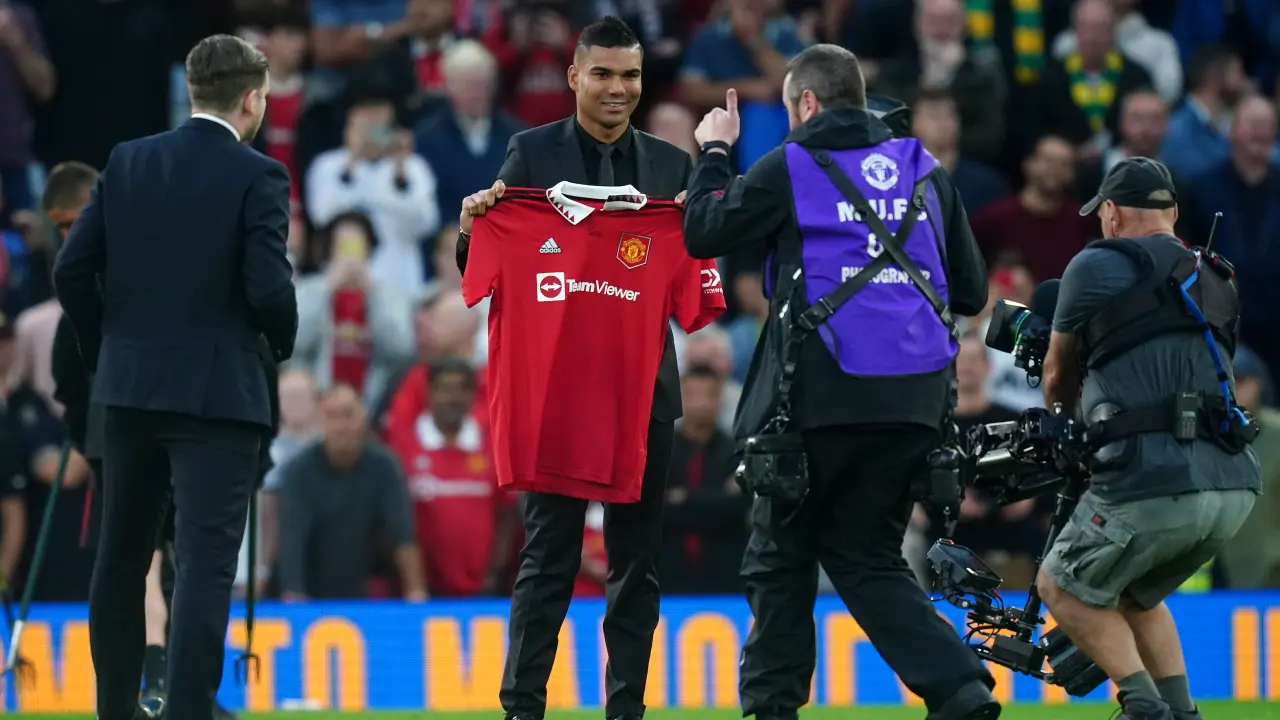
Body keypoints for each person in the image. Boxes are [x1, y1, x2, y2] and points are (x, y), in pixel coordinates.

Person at [681, 44, 999, 720]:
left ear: (807, 103)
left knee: (780, 555)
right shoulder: (925, 169)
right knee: (868, 555)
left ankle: (773, 709)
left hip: (820, 395)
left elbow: (704, 230)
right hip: (916, 401)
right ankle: (959, 688)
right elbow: (971, 291)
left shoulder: (793, 162)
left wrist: (714, 151)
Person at [453, 15, 693, 720]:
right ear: (573, 77)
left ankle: (626, 711)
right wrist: (471, 228)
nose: (619, 88)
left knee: (636, 563)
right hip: (559, 394)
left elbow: (701, 268)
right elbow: (486, 265)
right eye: (603, 74)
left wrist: (708, 212)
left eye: (631, 75)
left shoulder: (673, 168)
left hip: (645, 394)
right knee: (549, 556)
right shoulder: (529, 153)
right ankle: (522, 708)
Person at [51, 34, 297, 720]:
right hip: (218, 400)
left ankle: (115, 711)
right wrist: (278, 343)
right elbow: (268, 288)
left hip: (128, 392)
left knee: (120, 559)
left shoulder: (128, 161)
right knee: (204, 566)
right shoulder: (259, 175)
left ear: (193, 91)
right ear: (252, 100)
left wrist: (107, 347)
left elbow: (71, 270)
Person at [1038, 157, 1260, 720]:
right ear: (1174, 213)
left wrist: (1065, 422)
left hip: (1151, 480)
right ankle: (1182, 713)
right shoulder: (1217, 275)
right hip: (1232, 484)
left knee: (1059, 588)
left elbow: (1057, 374)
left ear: (1111, 213)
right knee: (1135, 595)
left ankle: (1143, 707)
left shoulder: (1095, 263)